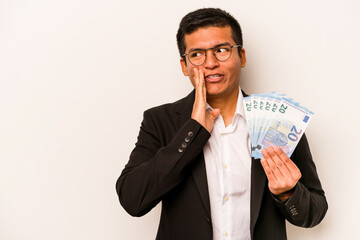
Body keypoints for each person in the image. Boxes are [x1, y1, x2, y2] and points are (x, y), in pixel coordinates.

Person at [116, 8, 327, 240]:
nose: (211, 63)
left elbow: (315, 211)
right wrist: (192, 131)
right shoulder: (161, 121)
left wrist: (288, 194)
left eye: (222, 50)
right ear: (184, 65)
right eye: (197, 54)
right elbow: (132, 200)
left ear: (242, 56)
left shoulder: (279, 122)